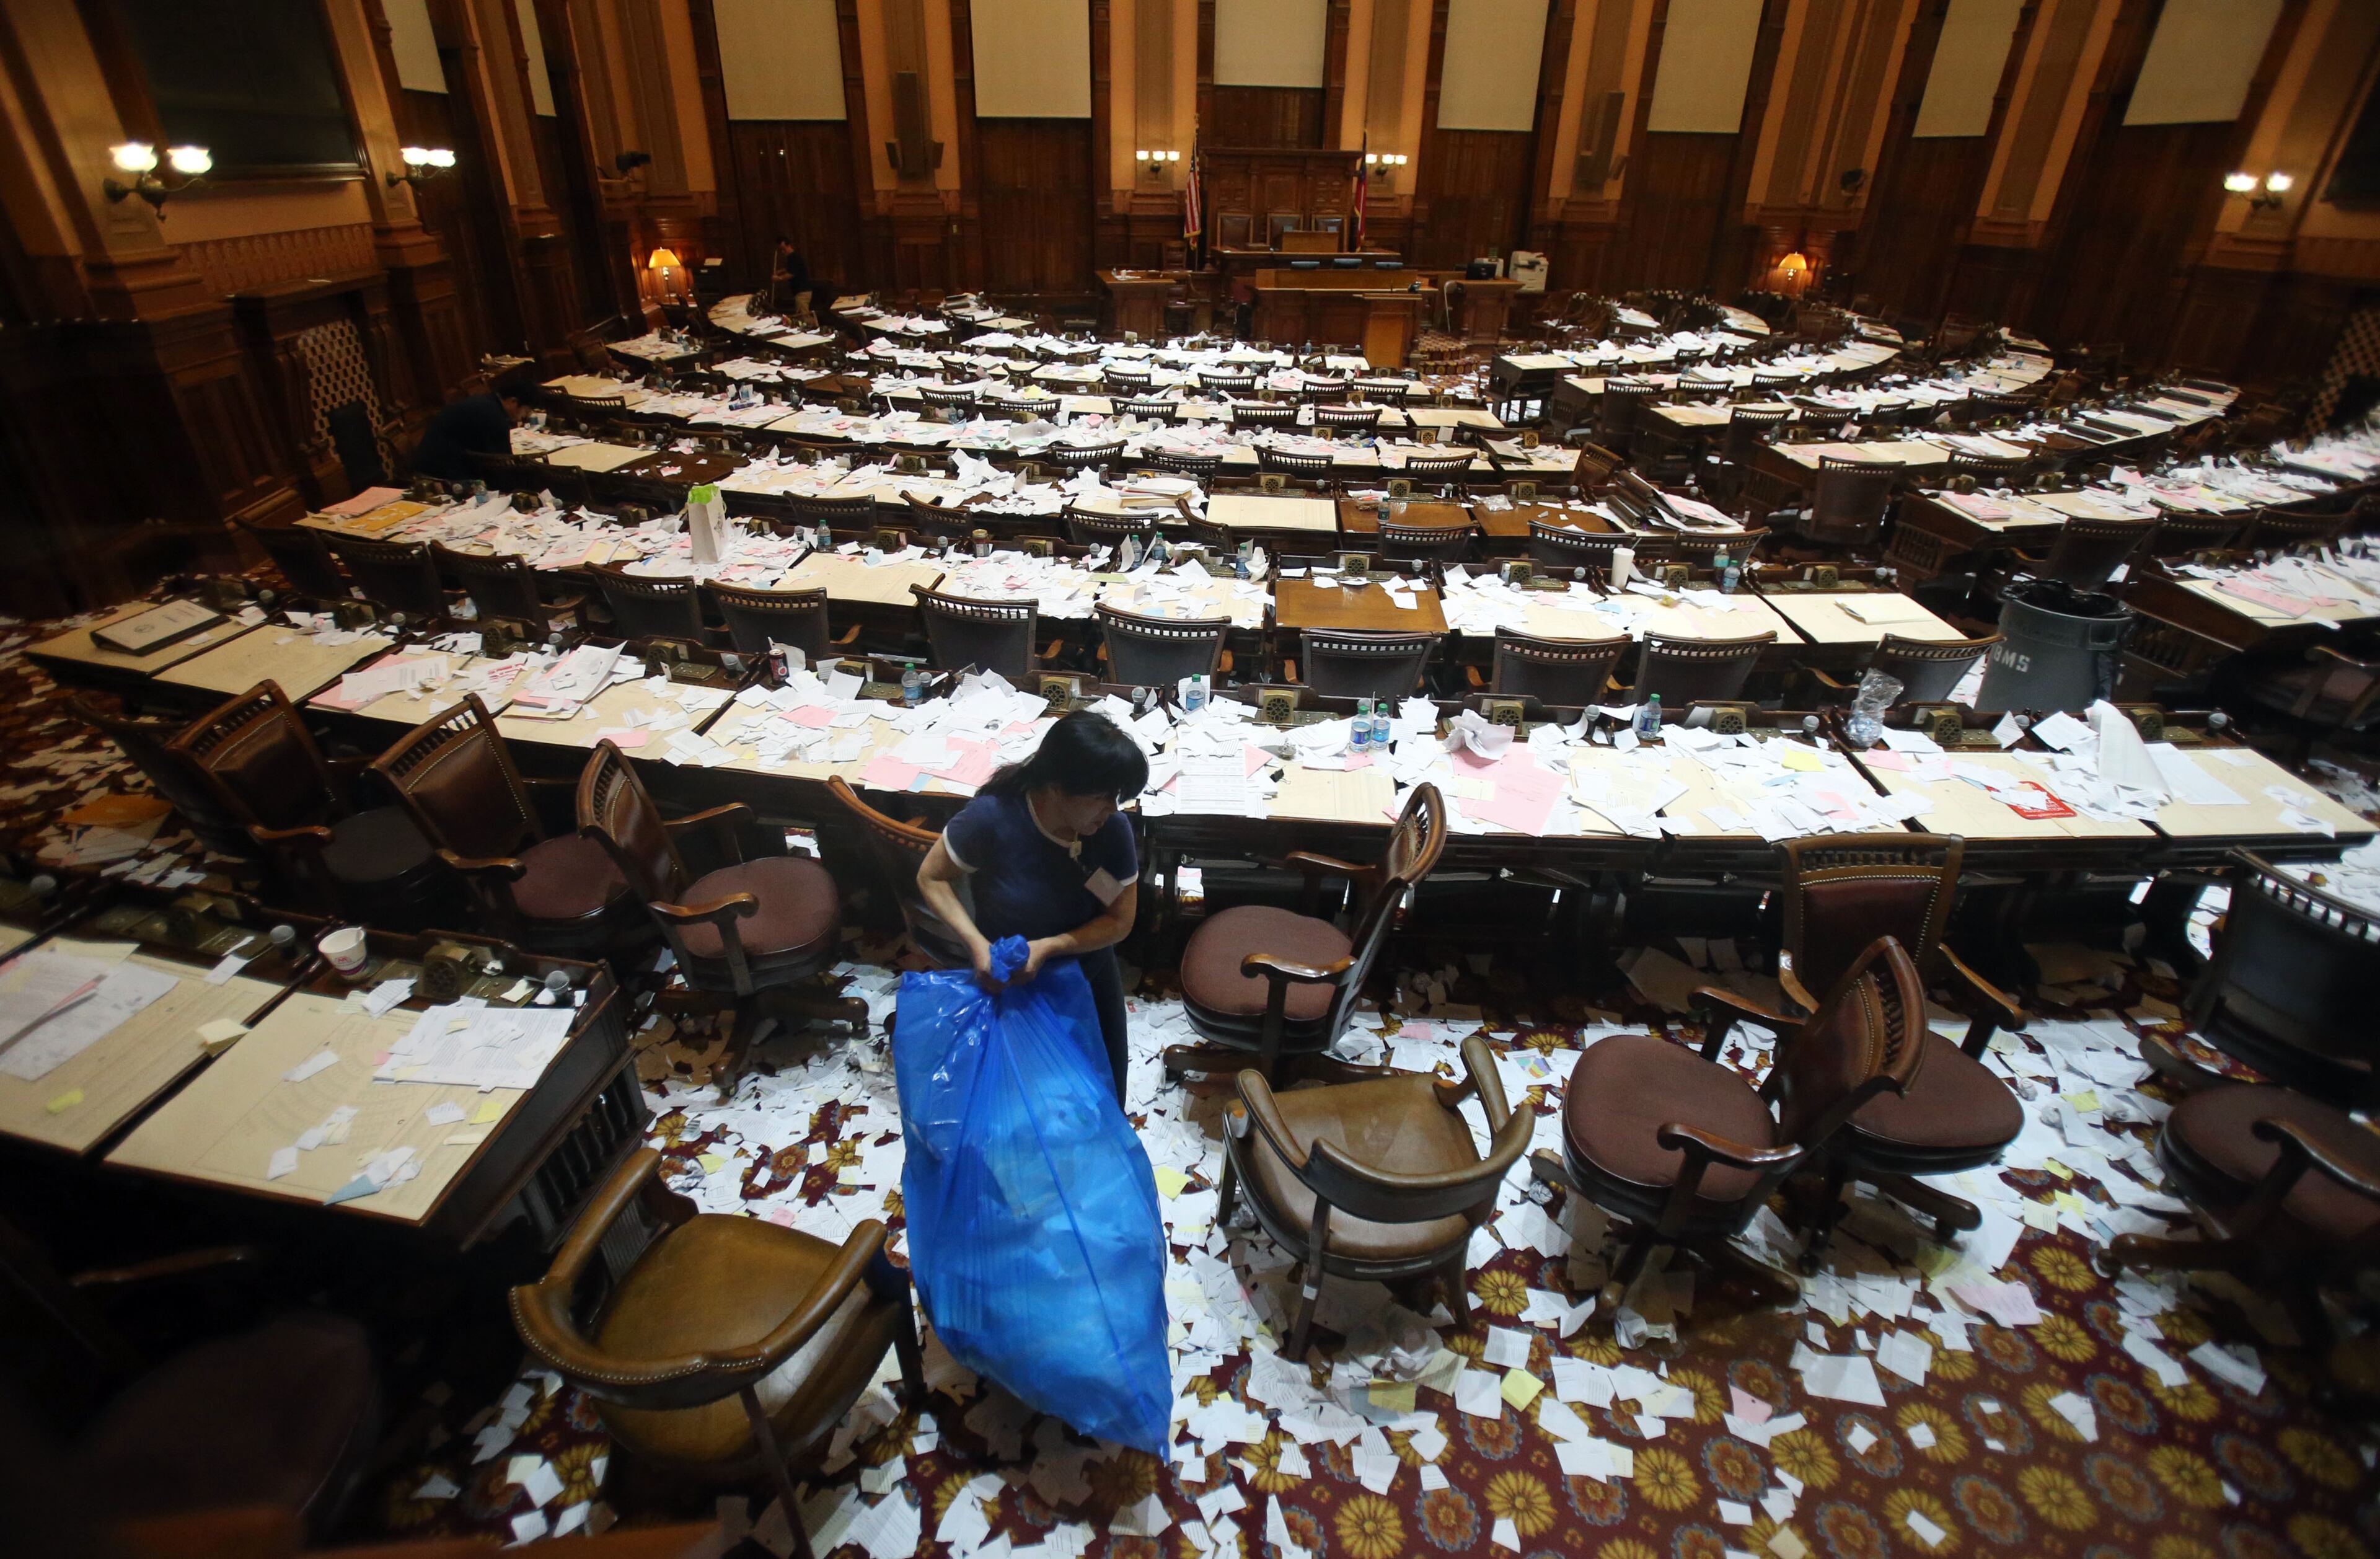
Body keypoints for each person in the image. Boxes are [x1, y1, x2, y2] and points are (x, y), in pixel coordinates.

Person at [915, 711, 1147, 1105]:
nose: (1112, 808)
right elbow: (931, 878)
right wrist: (977, 946)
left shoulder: (1111, 830)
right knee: (1020, 1102)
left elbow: (1120, 921)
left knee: (1098, 1096)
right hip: (1011, 981)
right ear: (1056, 788)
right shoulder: (993, 817)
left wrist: (1051, 946)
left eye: (1118, 797)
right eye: (1101, 798)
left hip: (1086, 977)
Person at [410, 366, 541, 482]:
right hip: (440, 473)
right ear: (513, 402)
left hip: (431, 462)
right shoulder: (494, 417)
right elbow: (504, 465)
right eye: (526, 411)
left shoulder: (486, 402)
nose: (524, 417)